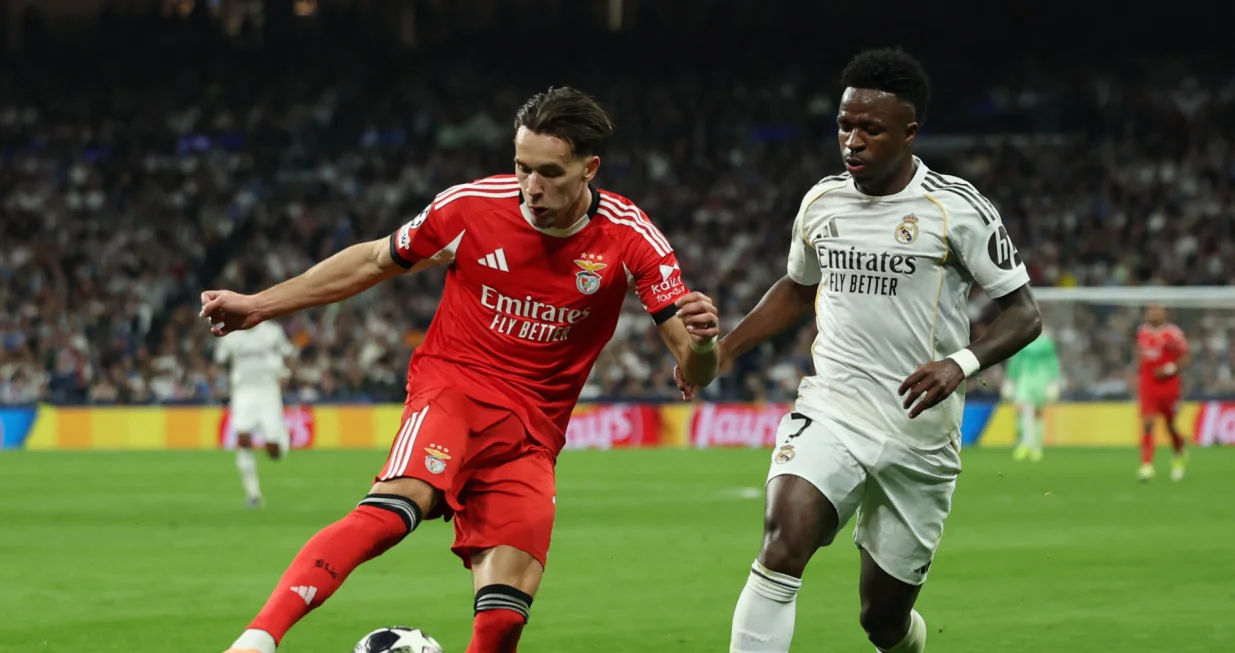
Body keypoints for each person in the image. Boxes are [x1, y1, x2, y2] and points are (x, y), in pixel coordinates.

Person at [203, 87, 721, 653]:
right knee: (393, 510)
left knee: (502, 622)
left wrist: (703, 344)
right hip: (454, 388)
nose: (532, 187)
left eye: (550, 172)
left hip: (532, 435)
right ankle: (256, 640)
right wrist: (258, 304)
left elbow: (696, 366)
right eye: (522, 167)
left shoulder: (629, 237)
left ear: (589, 168)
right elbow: (377, 260)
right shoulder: (470, 207)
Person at [677, 49, 1042, 653]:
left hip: (918, 431)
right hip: (833, 408)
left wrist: (961, 363)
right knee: (783, 538)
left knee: (883, 620)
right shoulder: (822, 202)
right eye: (845, 125)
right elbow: (798, 288)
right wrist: (727, 353)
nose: (852, 140)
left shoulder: (958, 209)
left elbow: (1024, 313)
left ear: (909, 133)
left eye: (870, 129)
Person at [213, 319, 297, 507]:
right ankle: (253, 494)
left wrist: (286, 373)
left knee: (274, 451)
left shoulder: (272, 331)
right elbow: (220, 360)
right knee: (242, 437)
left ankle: (281, 439)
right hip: (243, 391)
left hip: (268, 391)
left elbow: (288, 352)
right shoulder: (230, 334)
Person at [1135, 305, 1190, 482]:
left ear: (1164, 314)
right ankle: (1146, 465)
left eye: (1156, 311)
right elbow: (1141, 356)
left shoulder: (1173, 333)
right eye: (1149, 311)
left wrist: (1169, 369)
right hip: (1148, 384)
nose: (1152, 314)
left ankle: (1180, 454)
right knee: (1148, 423)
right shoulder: (1142, 332)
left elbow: (1186, 356)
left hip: (1168, 385)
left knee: (1170, 425)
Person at [1001, 329, 1061, 462]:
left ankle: (1036, 446)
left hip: (1041, 378)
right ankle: (1025, 442)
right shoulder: (1023, 341)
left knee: (1038, 413)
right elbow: (1016, 361)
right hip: (1025, 378)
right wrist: (1010, 380)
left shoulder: (1047, 343)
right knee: (1022, 409)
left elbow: (1052, 361)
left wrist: (1054, 381)